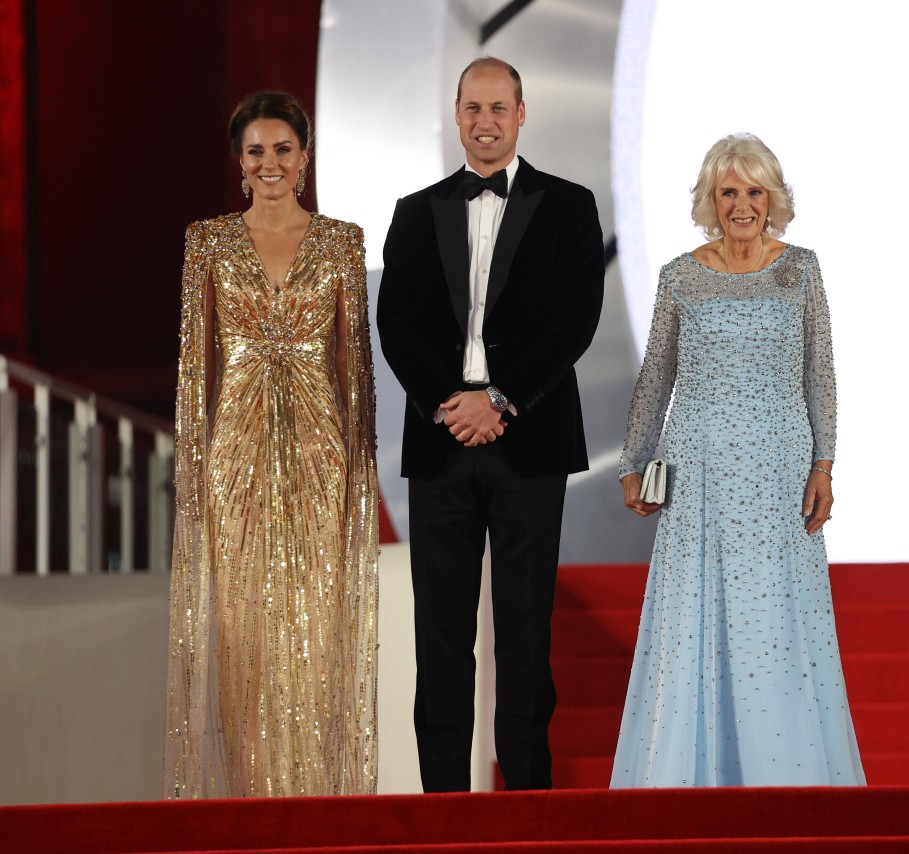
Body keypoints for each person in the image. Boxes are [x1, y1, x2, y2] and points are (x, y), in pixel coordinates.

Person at [611, 133, 866, 787]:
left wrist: (824, 467)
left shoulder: (801, 270)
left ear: (773, 198)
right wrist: (634, 462)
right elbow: (656, 378)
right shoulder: (679, 276)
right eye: (729, 192)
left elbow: (821, 376)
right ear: (710, 200)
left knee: (777, 625)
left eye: (754, 191)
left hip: (780, 474)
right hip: (697, 476)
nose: (742, 205)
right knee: (697, 624)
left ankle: (787, 779)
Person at [378, 57, 604, 792]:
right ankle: (444, 810)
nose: (485, 121)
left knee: (524, 635)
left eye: (498, 108)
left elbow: (574, 322)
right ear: (455, 112)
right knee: (440, 639)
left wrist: (500, 400)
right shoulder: (416, 211)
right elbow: (397, 322)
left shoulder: (569, 206)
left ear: (522, 112)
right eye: (472, 107)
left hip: (528, 441)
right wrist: (452, 401)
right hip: (442, 441)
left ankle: (527, 806)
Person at [164, 91, 379, 798]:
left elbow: (357, 370)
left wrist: (358, 472)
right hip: (235, 457)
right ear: (239, 162)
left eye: (283, 149)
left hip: (321, 455)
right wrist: (194, 470)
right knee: (245, 636)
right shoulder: (207, 241)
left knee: (315, 635)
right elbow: (196, 368)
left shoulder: (343, 241)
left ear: (305, 157)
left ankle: (318, 800)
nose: (270, 163)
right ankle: (255, 801)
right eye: (256, 151)